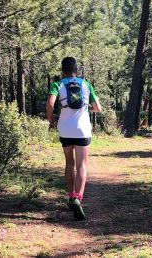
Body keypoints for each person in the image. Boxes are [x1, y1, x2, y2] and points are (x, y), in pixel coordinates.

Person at [46, 57, 102, 220]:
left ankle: (71, 197)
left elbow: (50, 103)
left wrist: (51, 119)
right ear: (76, 69)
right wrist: (87, 107)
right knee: (82, 165)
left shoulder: (58, 84)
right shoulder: (86, 84)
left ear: (62, 70)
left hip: (65, 128)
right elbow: (98, 108)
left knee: (69, 163)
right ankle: (78, 198)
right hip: (83, 129)